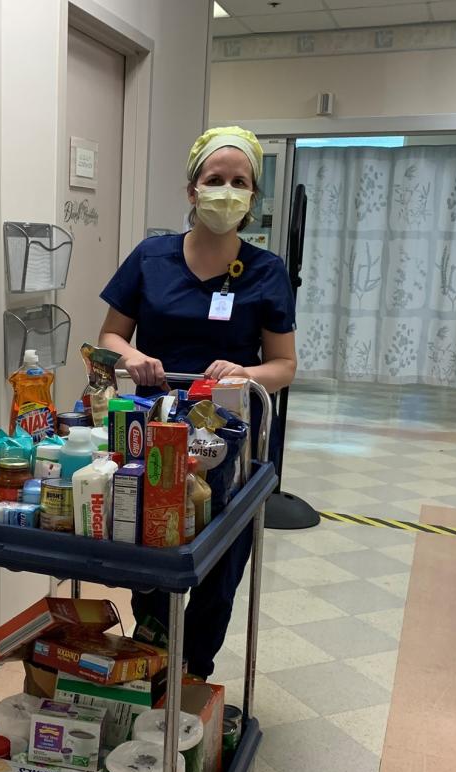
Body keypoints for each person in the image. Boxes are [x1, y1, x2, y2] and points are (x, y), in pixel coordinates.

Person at [97, 125, 297, 678]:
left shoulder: (266, 271)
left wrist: (244, 370)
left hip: (232, 432)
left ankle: (194, 674)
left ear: (253, 198)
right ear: (192, 190)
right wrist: (130, 357)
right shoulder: (150, 257)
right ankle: (152, 659)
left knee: (220, 559)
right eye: (215, 179)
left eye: (239, 182)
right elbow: (109, 336)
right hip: (154, 425)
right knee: (151, 544)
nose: (226, 191)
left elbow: (284, 366)